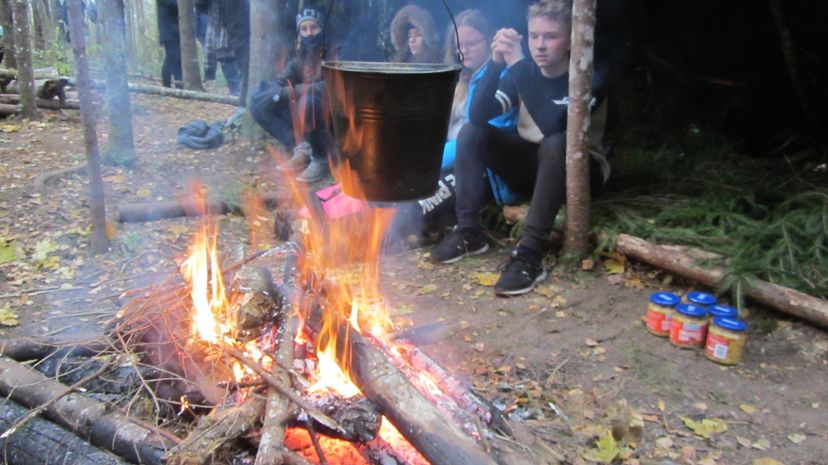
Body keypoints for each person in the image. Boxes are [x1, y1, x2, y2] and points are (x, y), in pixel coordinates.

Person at [431, 0, 610, 296]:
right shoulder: (523, 71)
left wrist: (518, 66)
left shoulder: (588, 75)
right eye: (535, 36)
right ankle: (469, 233)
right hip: (533, 166)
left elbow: (555, 127)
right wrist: (496, 63)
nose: (540, 45)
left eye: (551, 36)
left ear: (570, 41)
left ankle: (530, 254)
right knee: (472, 133)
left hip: (582, 173)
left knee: (555, 143)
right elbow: (478, 115)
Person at [386, 9, 520, 246]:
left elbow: (477, 137)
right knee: (390, 186)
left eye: (472, 43)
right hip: (445, 163)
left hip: (482, 171)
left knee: (410, 206)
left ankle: (365, 239)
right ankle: (329, 221)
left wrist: (425, 163)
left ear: (490, 41)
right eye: (459, 44)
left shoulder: (504, 78)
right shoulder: (459, 79)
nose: (463, 50)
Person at [250, 4, 332, 184]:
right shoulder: (301, 57)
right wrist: (272, 91)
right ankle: (303, 149)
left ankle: (321, 159)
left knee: (308, 102)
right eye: (304, 29)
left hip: (332, 119)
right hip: (306, 116)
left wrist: (289, 92)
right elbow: (282, 78)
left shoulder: (334, 52)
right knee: (259, 102)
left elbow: (331, 87)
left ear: (323, 28)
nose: (309, 33)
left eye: (314, 27)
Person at [195, 0, 249, 99]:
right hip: (221, 28)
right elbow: (200, 7)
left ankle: (240, 92)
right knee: (225, 58)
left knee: (239, 62)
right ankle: (236, 90)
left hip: (236, 29)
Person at [156, 0, 182, 88]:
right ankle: (166, 85)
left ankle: (179, 85)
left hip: (174, 32)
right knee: (171, 57)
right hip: (169, 33)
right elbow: (175, 6)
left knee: (178, 59)